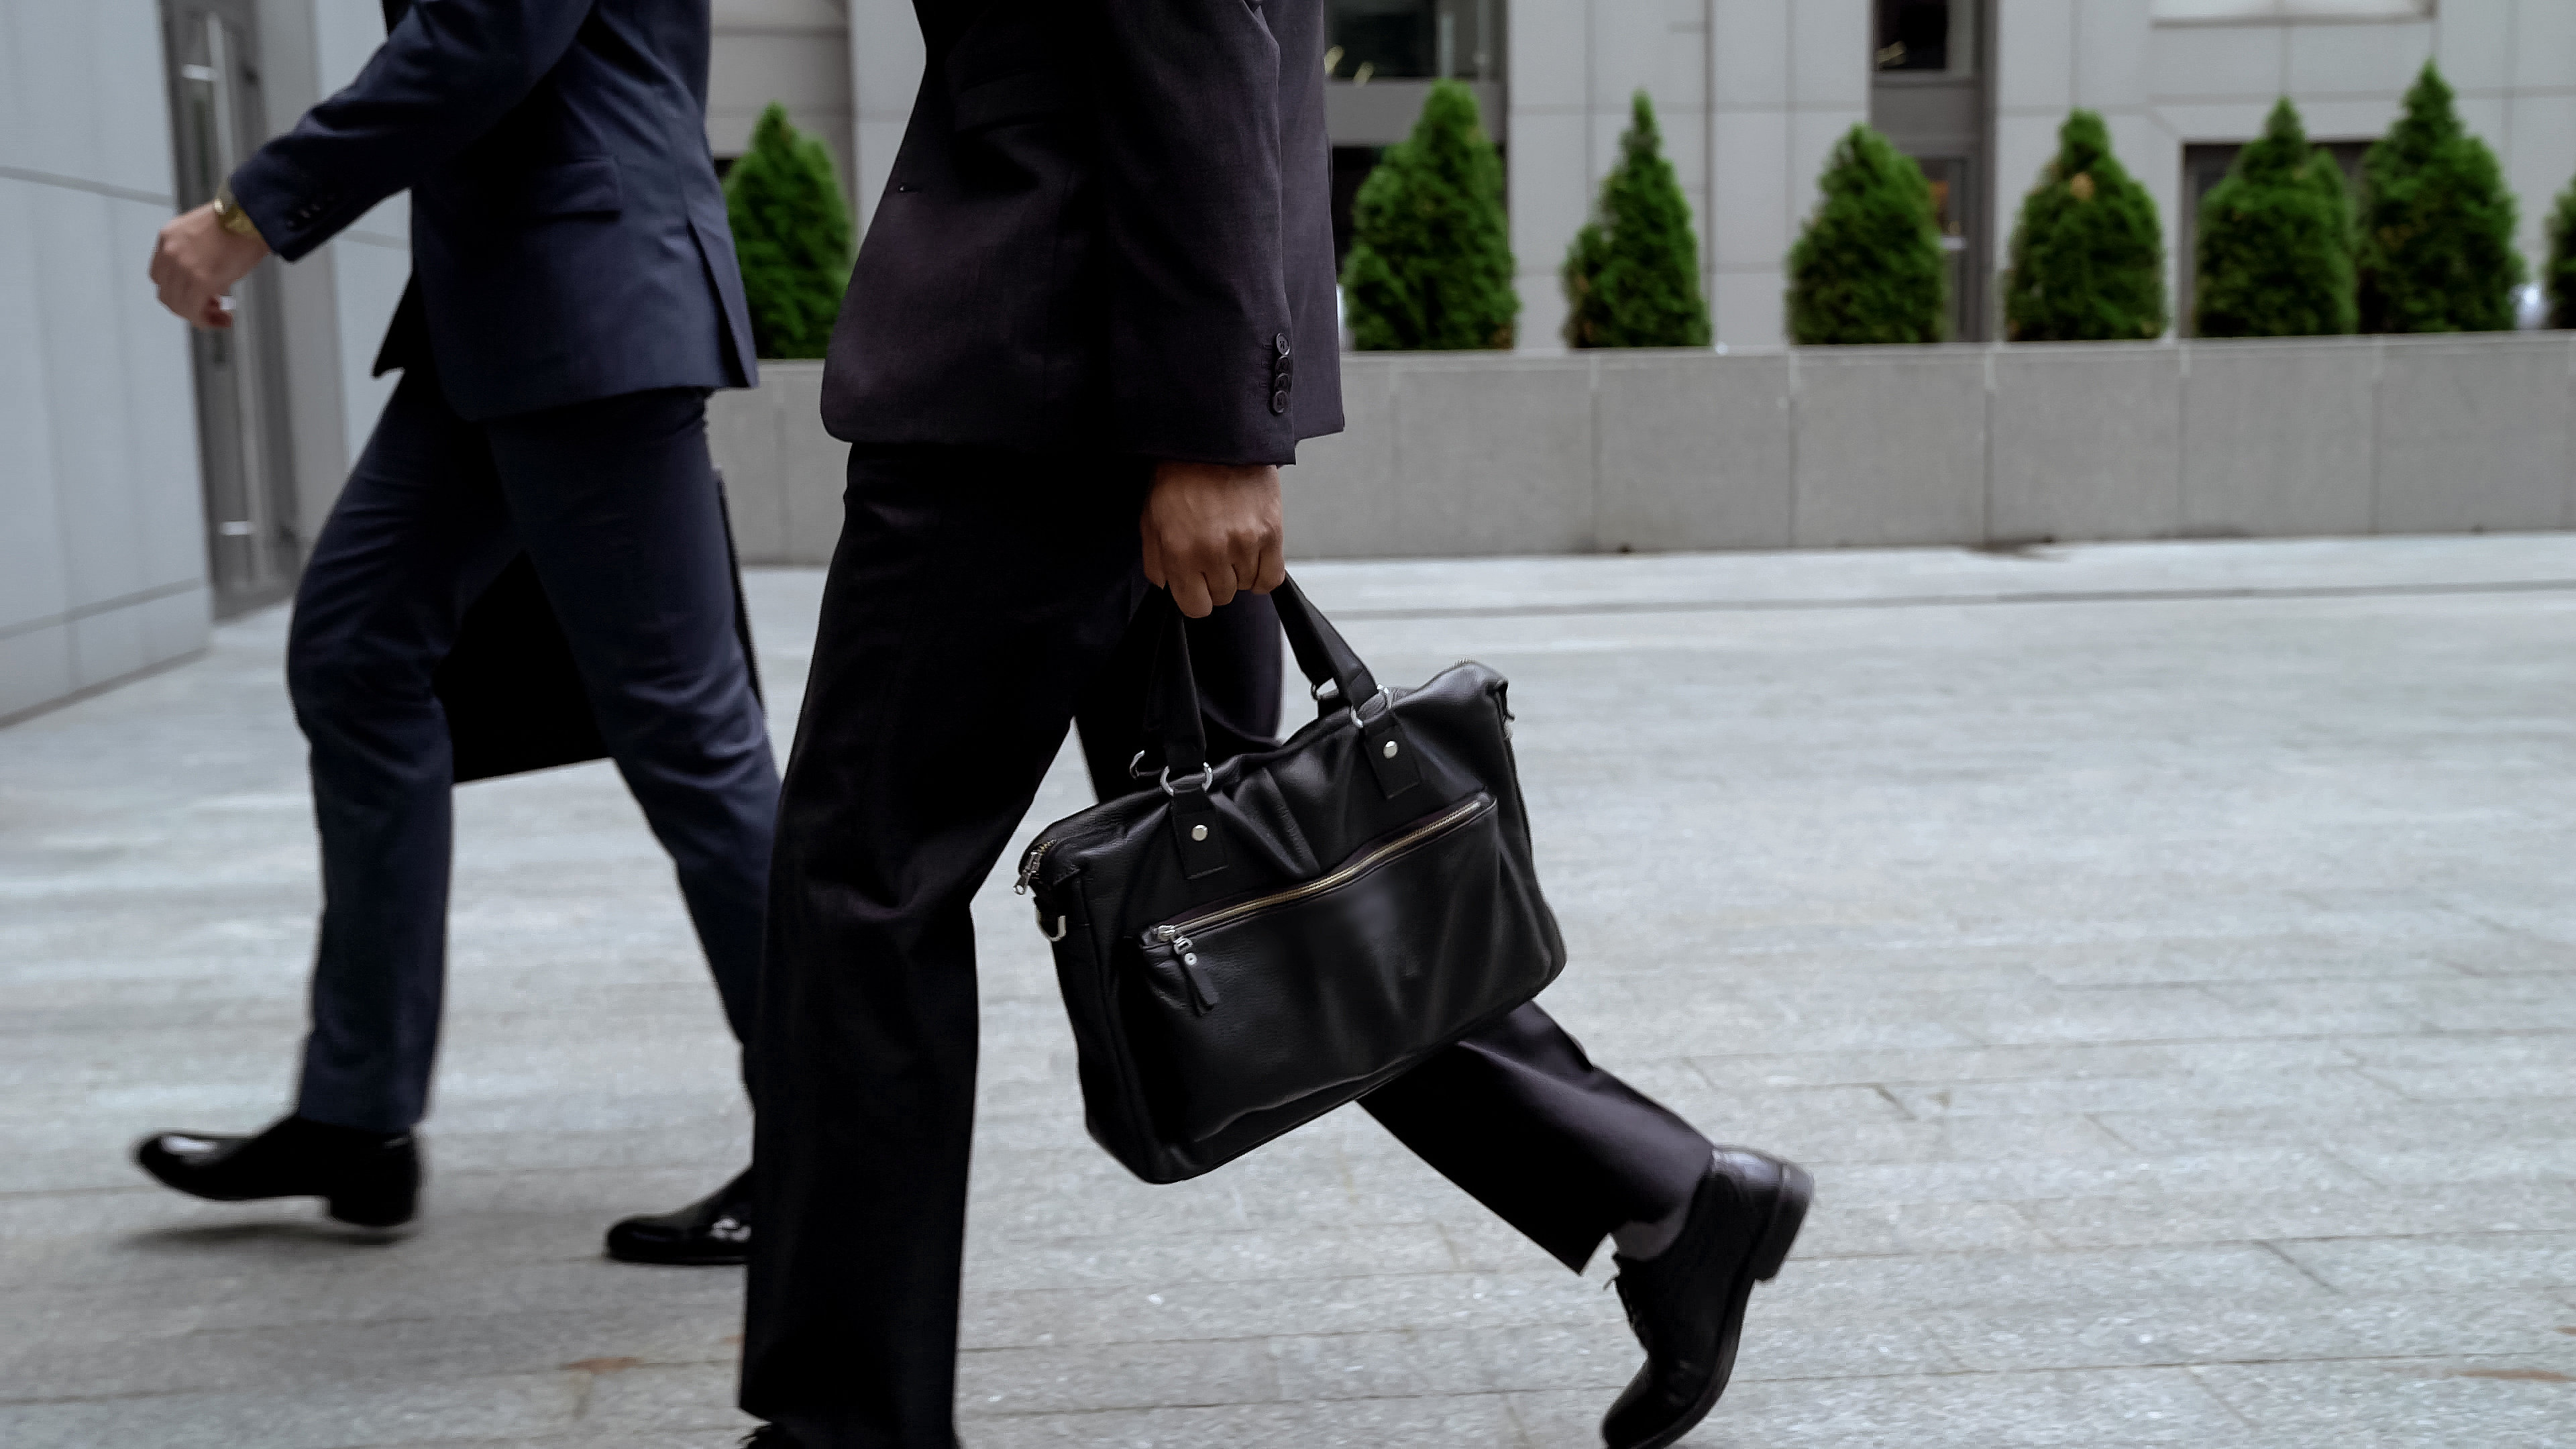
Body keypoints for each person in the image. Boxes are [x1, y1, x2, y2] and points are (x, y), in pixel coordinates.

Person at [737, 0, 1810, 1446]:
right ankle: (1666, 1196)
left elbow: (1198, 33)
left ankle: (844, 1426)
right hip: (1105, 353)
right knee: (1273, 880)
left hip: (1038, 379)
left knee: (860, 888)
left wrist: (1216, 432)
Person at [134, 0, 775, 1263]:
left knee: (689, 737)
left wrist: (248, 211)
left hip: (589, 298)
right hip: (502, 308)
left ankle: (839, 1143)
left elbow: (487, 32)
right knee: (356, 652)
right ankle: (357, 1116)